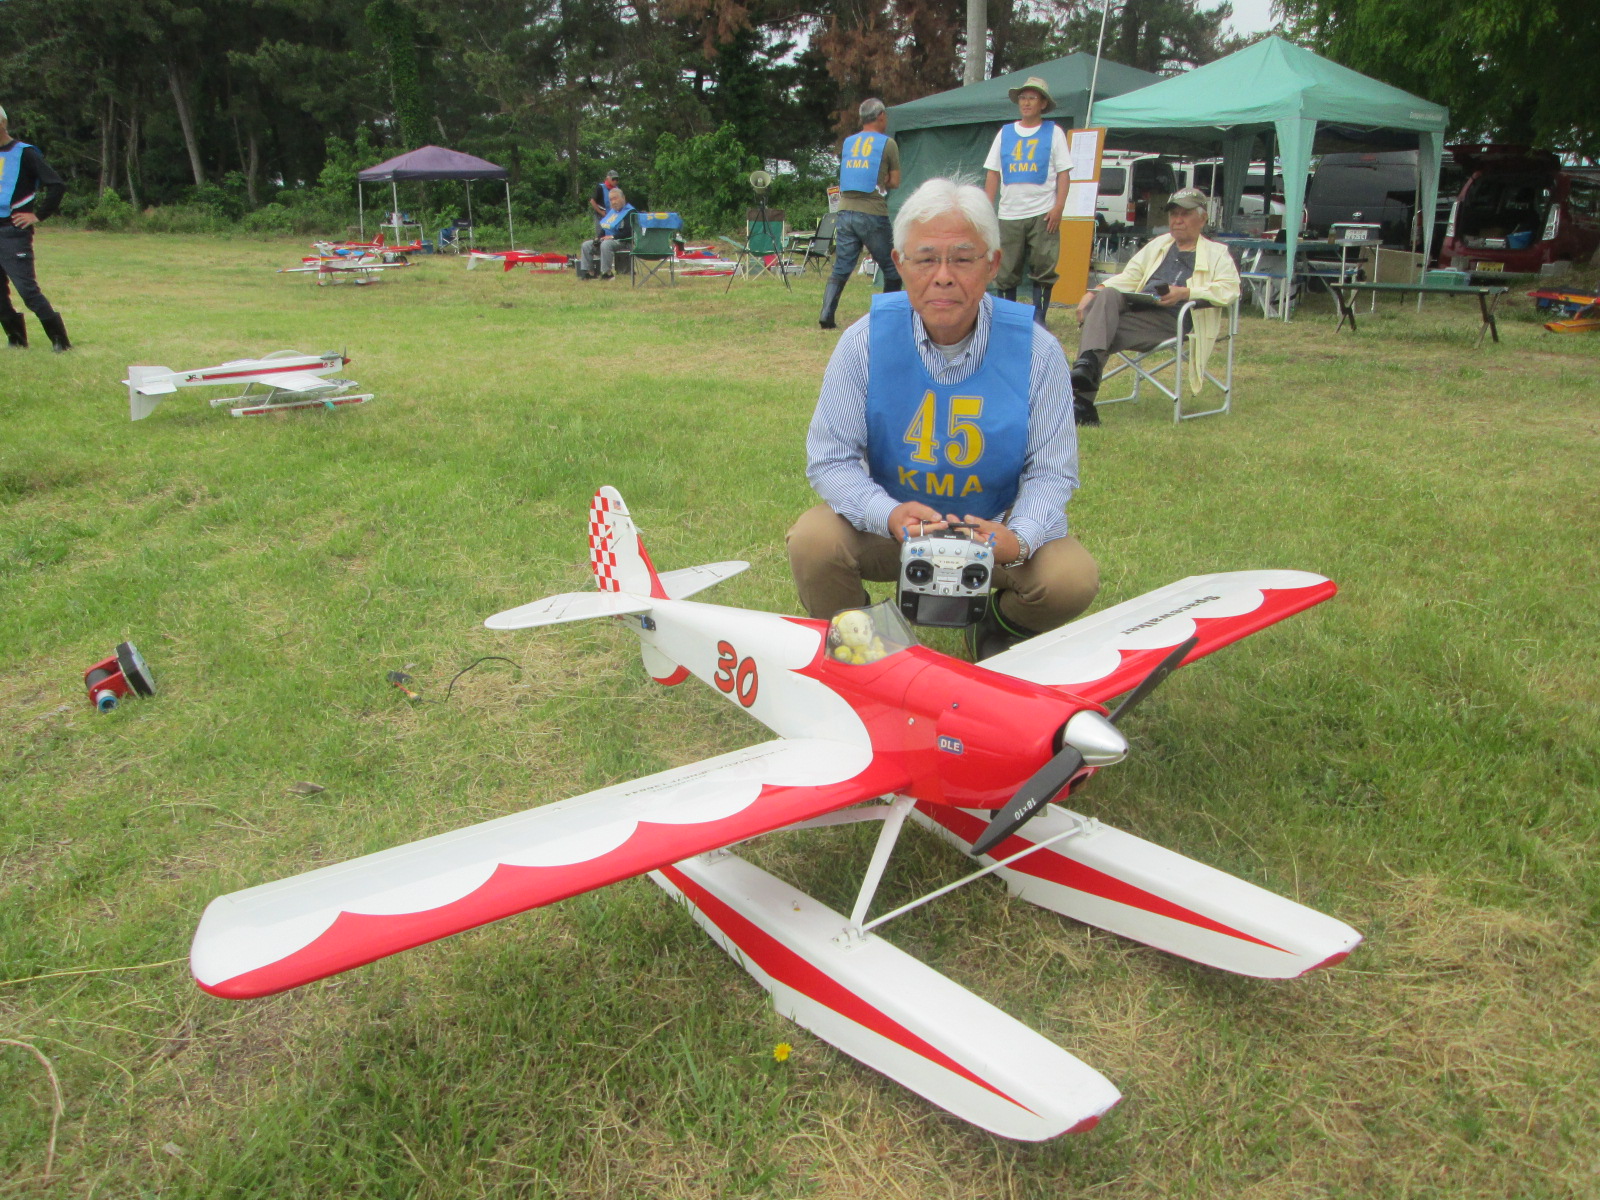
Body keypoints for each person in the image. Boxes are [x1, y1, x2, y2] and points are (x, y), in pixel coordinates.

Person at [788, 177, 1098, 660]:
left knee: (1070, 579)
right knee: (814, 541)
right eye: (926, 258)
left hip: (993, 529)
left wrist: (1018, 540)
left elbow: (1052, 472)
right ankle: (868, 651)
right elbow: (831, 460)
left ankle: (996, 628)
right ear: (899, 263)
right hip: (894, 527)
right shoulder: (864, 341)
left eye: (963, 258)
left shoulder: (1038, 350)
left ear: (992, 264)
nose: (944, 276)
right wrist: (887, 515)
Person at [1070, 186, 1240, 425]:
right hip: (1140, 307)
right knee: (1107, 294)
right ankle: (1085, 375)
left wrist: (1186, 293)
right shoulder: (1159, 244)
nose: (1177, 220)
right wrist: (1093, 292)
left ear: (1202, 219)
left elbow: (1230, 289)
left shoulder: (1217, 253)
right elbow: (1130, 276)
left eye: (1185, 214)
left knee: (1098, 330)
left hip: (1173, 319)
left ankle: (1082, 399)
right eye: (1173, 214)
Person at [983, 76, 1071, 329]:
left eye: (1032, 98)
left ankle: (1039, 319)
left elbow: (1064, 173)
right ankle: (1007, 319)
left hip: (1043, 213)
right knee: (1006, 269)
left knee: (1044, 266)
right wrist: (986, 208)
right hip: (1009, 213)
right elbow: (993, 173)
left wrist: (1059, 207)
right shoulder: (1005, 133)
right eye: (1023, 98)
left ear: (1043, 103)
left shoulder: (1054, 132)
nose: (1026, 102)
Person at [818, 98, 902, 330]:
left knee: (842, 266)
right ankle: (888, 318)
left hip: (845, 210)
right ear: (881, 116)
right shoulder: (888, 144)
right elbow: (894, 182)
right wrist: (883, 178)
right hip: (872, 211)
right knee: (892, 268)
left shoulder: (849, 142)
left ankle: (826, 314)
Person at [0, 104, 69, 351]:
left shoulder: (25, 153)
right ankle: (16, 338)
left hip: (13, 232)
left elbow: (56, 185)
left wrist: (38, 215)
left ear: (2, 124)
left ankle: (60, 341)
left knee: (27, 290)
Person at [578, 187, 634, 280]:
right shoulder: (612, 212)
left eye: (615, 198)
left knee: (606, 244)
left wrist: (612, 237)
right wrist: (598, 238)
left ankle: (607, 273)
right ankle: (589, 273)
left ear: (623, 198)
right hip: (609, 240)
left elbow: (629, 232)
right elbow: (605, 228)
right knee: (586, 245)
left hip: (624, 241)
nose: (613, 202)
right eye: (611, 200)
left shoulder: (630, 212)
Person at [588, 170, 619, 239]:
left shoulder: (617, 190)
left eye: (617, 179)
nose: (615, 181)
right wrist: (601, 212)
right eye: (613, 179)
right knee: (600, 236)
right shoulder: (601, 187)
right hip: (601, 217)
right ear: (608, 178)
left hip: (612, 217)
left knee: (611, 236)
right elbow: (592, 201)